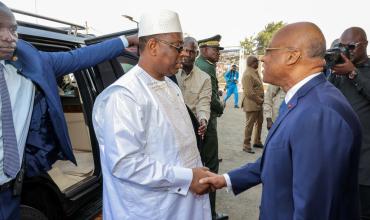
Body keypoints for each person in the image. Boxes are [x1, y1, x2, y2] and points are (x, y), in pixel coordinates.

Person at [200, 22, 362, 220]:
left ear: (292, 56)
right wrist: (225, 179)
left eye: (269, 51)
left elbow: (313, 210)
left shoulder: (319, 113)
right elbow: (277, 159)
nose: (263, 58)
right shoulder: (299, 99)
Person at [0, 2, 138, 219]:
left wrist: (126, 40)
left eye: (13, 29)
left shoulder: (31, 62)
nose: (9, 36)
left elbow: (79, 58)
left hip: (9, 189)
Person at [92, 10, 212, 220]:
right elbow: (125, 164)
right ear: (153, 46)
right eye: (177, 46)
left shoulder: (170, 86)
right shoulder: (124, 96)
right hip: (150, 210)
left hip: (183, 205)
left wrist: (196, 173)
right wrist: (187, 177)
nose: (184, 53)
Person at [329, 27, 370, 220]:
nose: (347, 51)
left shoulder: (360, 72)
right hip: (338, 161)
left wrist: (353, 73)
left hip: (364, 166)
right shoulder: (338, 73)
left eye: (352, 46)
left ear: (365, 45)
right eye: (343, 47)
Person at [195, 35, 228, 220]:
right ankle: (211, 214)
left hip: (199, 121)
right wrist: (222, 105)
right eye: (215, 50)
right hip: (207, 122)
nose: (218, 53)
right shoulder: (206, 67)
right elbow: (213, 100)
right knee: (211, 166)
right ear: (204, 49)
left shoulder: (200, 63)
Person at [176, 37, 211, 140]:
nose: (187, 54)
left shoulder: (205, 78)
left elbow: (203, 103)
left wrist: (203, 120)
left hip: (191, 129)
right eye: (185, 50)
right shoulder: (170, 73)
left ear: (197, 54)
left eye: (191, 51)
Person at [241, 56, 264, 153]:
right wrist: (259, 100)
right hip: (252, 103)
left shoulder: (254, 72)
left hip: (258, 103)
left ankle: (257, 141)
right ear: (252, 63)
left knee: (259, 122)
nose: (258, 64)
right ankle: (246, 145)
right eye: (257, 62)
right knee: (249, 125)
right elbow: (249, 92)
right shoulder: (247, 74)